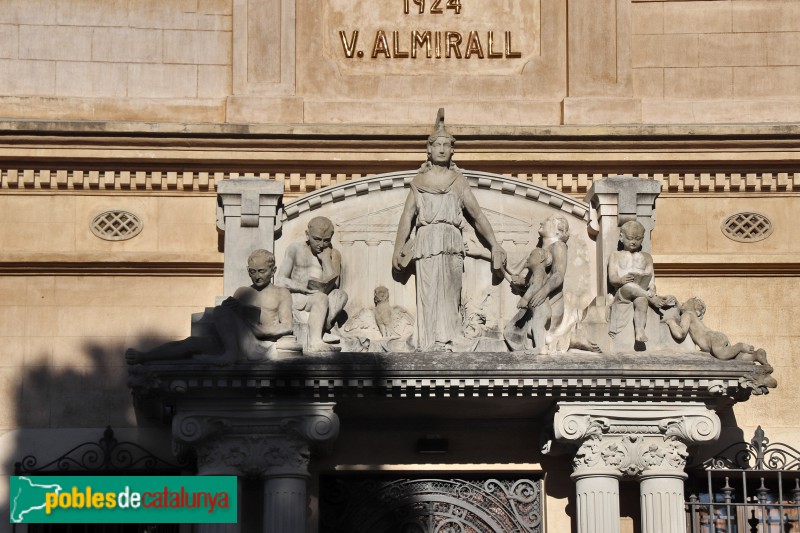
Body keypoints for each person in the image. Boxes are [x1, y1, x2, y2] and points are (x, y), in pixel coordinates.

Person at [392, 110, 506, 351]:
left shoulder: (459, 181)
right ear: (429, 150)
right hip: (427, 240)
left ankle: (452, 336)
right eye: (437, 145)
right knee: (429, 291)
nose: (442, 149)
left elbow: (478, 216)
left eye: (446, 145)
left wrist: (495, 243)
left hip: (451, 240)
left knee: (451, 292)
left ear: (452, 151)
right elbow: (407, 217)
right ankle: (428, 339)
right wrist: (398, 248)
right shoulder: (418, 183)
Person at [125, 249, 292, 365]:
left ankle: (231, 354)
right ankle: (145, 356)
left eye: (261, 271)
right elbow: (230, 323)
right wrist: (237, 310)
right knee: (191, 343)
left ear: (273, 270)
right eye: (253, 271)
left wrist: (262, 331)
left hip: (258, 345)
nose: (257, 276)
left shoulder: (281, 293)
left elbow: (287, 325)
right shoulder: (243, 291)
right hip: (232, 343)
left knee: (221, 310)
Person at [275, 216, 348, 352]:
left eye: (326, 241)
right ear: (307, 235)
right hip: (299, 297)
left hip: (321, 298)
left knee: (341, 295)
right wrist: (302, 287)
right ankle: (315, 341)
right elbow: (280, 280)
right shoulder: (295, 249)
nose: (321, 244)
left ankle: (322, 326)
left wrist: (326, 260)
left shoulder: (334, 254)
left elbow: (335, 285)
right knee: (321, 298)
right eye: (317, 239)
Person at [504, 215, 569, 354]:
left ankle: (542, 347)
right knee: (511, 332)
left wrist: (543, 291)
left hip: (549, 300)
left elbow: (558, 275)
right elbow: (534, 279)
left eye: (548, 220)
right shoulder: (538, 250)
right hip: (536, 302)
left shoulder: (558, 245)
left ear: (559, 231)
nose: (542, 221)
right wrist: (522, 282)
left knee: (533, 331)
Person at [607, 220, 672, 343]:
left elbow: (651, 277)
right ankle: (651, 299)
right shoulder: (615, 255)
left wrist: (652, 287)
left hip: (641, 292)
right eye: (630, 238)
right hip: (623, 292)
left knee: (642, 301)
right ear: (622, 237)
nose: (633, 242)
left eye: (638, 239)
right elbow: (612, 278)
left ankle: (640, 330)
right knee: (630, 285)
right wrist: (621, 280)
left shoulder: (647, 257)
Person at [665, 297, 770, 364]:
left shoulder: (687, 314)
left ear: (695, 310)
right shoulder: (695, 318)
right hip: (717, 336)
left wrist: (671, 323)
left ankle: (740, 346)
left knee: (723, 355)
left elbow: (681, 333)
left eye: (686, 302)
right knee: (733, 357)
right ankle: (756, 355)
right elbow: (679, 306)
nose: (682, 303)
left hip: (711, 339)